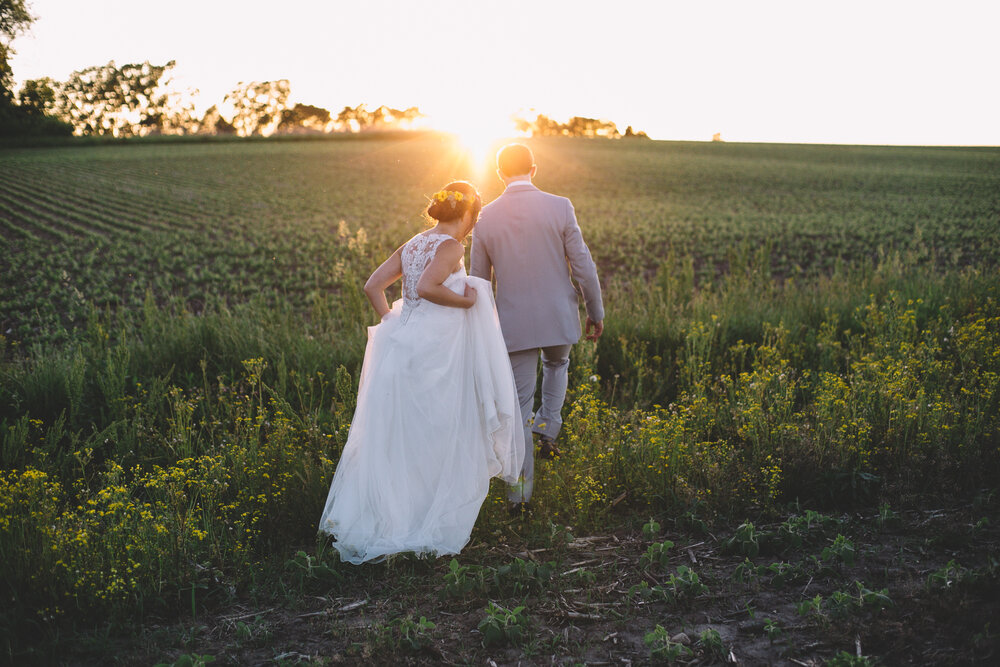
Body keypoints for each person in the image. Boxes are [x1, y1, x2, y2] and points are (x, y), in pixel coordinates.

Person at [318, 181, 525, 564]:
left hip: (404, 346)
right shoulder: (450, 247)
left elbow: (372, 286)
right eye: (473, 217)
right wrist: (464, 301)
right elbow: (429, 287)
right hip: (436, 354)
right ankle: (421, 518)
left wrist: (395, 324)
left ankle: (393, 514)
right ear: (467, 214)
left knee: (402, 436)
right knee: (436, 433)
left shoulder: (414, 243)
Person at [470, 144, 604, 515]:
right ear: (534, 168)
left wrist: (483, 330)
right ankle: (548, 427)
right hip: (558, 316)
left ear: (499, 174)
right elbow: (582, 264)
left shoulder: (485, 219)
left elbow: (479, 281)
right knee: (558, 365)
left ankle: (520, 497)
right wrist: (595, 309)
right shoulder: (560, 205)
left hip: (513, 325)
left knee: (518, 409)